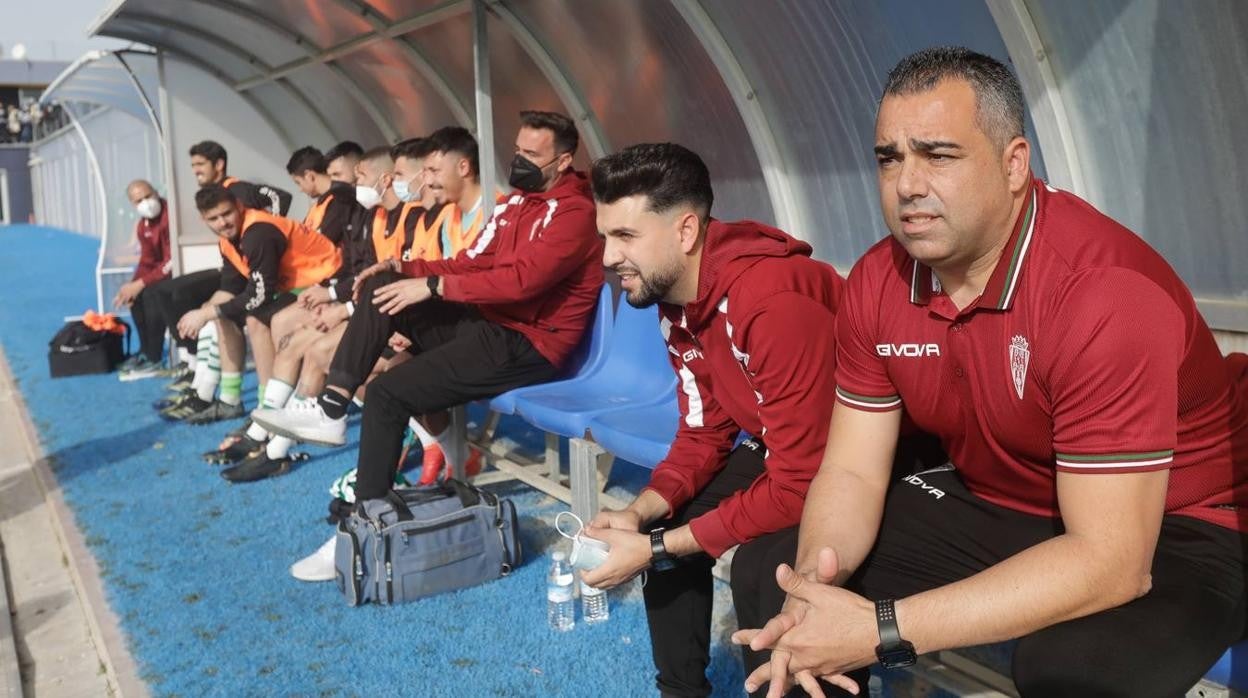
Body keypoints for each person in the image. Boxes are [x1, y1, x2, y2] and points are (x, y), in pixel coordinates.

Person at [736, 46, 1248, 698]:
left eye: (938, 155)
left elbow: (1113, 563)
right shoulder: (877, 280)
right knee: (772, 575)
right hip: (1016, 497)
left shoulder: (1101, 292)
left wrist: (882, 628)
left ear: (1014, 165)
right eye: (889, 158)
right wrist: (813, 588)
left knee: (1074, 669)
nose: (907, 184)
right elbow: (852, 471)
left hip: (1182, 522)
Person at [253, 111, 603, 573]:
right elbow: (472, 261)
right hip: (490, 324)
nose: (519, 160)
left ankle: (361, 535)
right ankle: (332, 408)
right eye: (517, 150)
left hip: (529, 344)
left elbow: (523, 282)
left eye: (532, 154)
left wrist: (434, 287)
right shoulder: (518, 202)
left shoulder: (575, 212)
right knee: (384, 289)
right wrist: (407, 270)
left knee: (386, 393)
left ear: (563, 161)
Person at [577, 143, 844, 697]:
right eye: (605, 236)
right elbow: (704, 431)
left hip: (858, 460)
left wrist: (660, 548)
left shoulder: (771, 301)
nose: (607, 256)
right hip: (788, 449)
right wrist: (639, 513)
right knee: (660, 522)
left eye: (625, 235)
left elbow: (801, 480)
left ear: (685, 231)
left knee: (763, 570)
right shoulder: (676, 302)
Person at [169, 185, 340, 424]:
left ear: (239, 207)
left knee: (260, 320)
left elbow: (259, 295)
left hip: (329, 285)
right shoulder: (227, 241)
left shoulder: (258, 233)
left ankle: (272, 407)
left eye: (227, 213)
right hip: (300, 288)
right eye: (214, 218)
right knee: (221, 313)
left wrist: (207, 313)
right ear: (203, 219)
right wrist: (202, 313)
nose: (223, 223)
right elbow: (230, 288)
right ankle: (228, 398)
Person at [155, 140, 295, 418]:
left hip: (291, 282)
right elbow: (231, 283)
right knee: (207, 308)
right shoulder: (225, 231)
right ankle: (208, 392)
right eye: (214, 218)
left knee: (244, 316)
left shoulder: (237, 191)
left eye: (200, 164)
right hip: (254, 276)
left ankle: (260, 407)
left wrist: (269, 235)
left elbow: (282, 197)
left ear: (218, 165)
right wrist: (206, 311)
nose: (195, 170)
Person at [113, 179, 172, 380]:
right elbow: (147, 261)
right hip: (160, 273)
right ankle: (145, 351)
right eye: (139, 200)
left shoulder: (170, 216)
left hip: (177, 271)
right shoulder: (142, 225)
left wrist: (140, 284)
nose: (146, 203)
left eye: (148, 196)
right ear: (133, 204)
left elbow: (171, 261)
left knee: (150, 293)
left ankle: (155, 357)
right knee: (135, 296)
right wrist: (130, 287)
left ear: (156, 192)